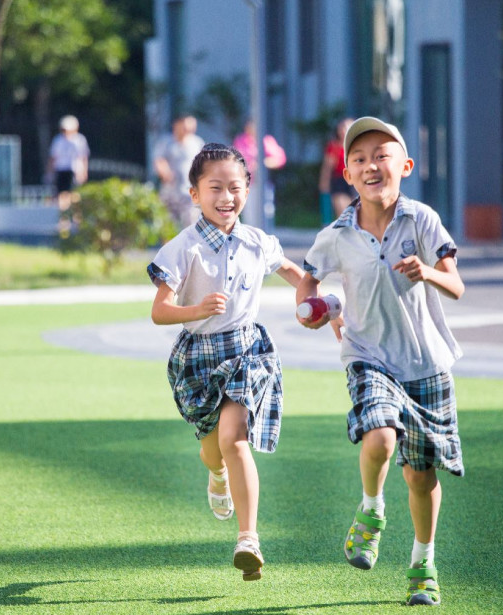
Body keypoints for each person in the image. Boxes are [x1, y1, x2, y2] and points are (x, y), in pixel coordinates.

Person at [296, 117, 465, 607]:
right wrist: (315, 309)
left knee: (421, 475)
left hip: (427, 363)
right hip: (368, 355)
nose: (371, 165)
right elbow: (309, 279)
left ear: (405, 166)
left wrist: (428, 271)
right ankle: (371, 511)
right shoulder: (336, 233)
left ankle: (423, 563)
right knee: (380, 437)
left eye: (381, 155)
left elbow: (456, 285)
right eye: (360, 159)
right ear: (347, 174)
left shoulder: (424, 220)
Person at [147, 143, 304, 581]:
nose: (226, 197)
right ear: (195, 193)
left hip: (245, 353)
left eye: (235, 187)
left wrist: (317, 300)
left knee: (236, 438)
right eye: (214, 187)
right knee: (212, 448)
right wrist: (196, 310)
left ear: (248, 190)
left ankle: (248, 539)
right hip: (197, 358)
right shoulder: (183, 248)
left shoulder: (257, 241)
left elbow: (292, 272)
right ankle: (215, 475)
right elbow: (160, 311)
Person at [153, 114, 205, 228]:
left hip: (190, 191)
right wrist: (164, 172)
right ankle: (168, 246)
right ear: (176, 125)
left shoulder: (197, 142)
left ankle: (190, 246)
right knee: (167, 225)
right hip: (170, 191)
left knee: (191, 222)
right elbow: (158, 160)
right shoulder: (166, 142)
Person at [318, 117, 357, 223]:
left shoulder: (357, 145)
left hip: (354, 181)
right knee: (343, 210)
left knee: (354, 212)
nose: (344, 130)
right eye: (342, 127)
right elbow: (327, 167)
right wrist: (324, 183)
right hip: (339, 181)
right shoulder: (334, 146)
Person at [47, 115, 90, 211]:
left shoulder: (79, 140)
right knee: (61, 194)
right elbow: (53, 157)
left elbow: (83, 157)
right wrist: (49, 172)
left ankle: (75, 217)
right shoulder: (58, 140)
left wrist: (83, 172)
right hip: (61, 169)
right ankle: (63, 217)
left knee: (75, 194)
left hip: (74, 170)